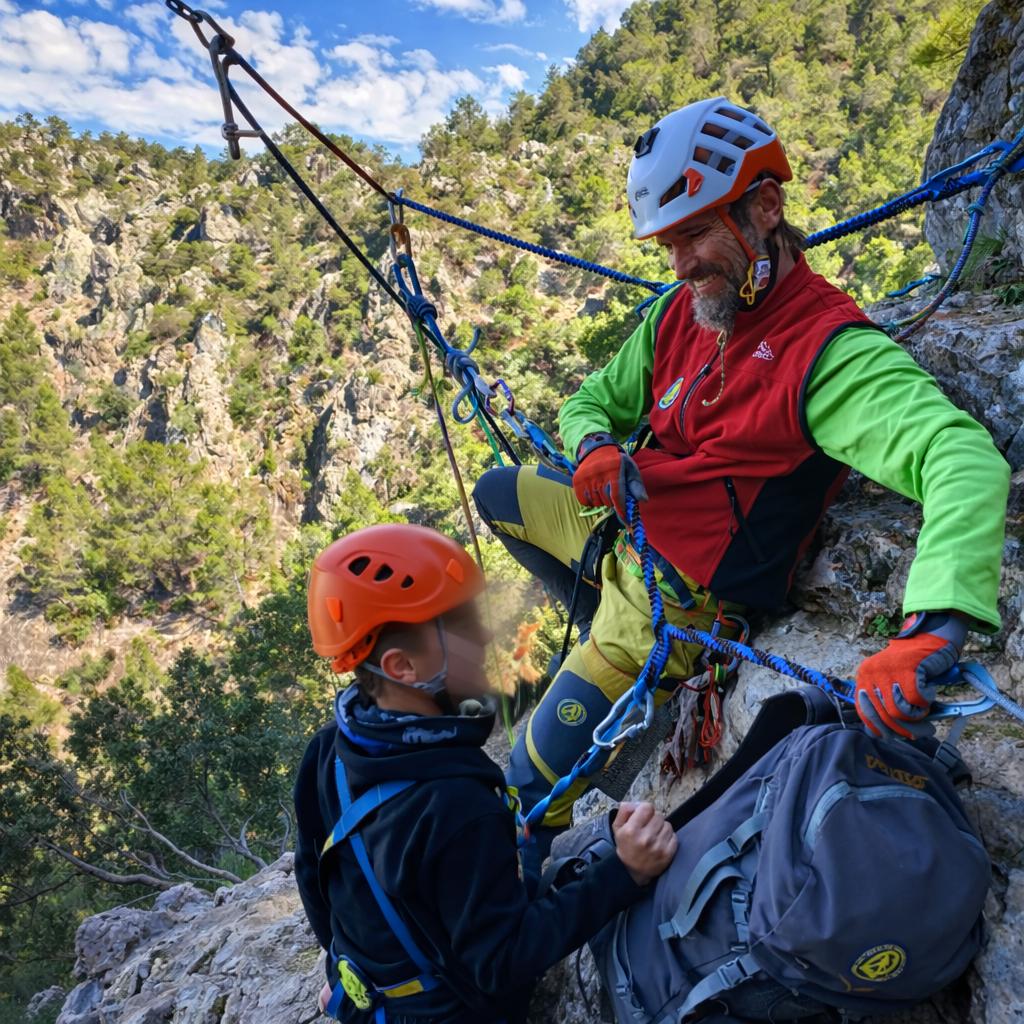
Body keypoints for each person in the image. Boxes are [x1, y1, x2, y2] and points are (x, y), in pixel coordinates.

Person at [473, 95, 1010, 872]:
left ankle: (625, 680)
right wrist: (593, 447)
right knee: (499, 494)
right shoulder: (679, 315)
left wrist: (931, 631)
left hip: (682, 596)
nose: (681, 264)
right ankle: (598, 615)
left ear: (764, 206)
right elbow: (592, 399)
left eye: (694, 234)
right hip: (628, 528)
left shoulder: (825, 355)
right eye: (668, 243)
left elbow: (959, 456)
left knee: (524, 787)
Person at [293, 522, 677, 1024]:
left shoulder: (332, 748)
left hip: (379, 996)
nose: (485, 633)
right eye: (461, 626)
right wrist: (625, 876)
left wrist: (354, 971)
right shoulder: (455, 803)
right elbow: (501, 962)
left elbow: (315, 878)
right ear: (403, 665)